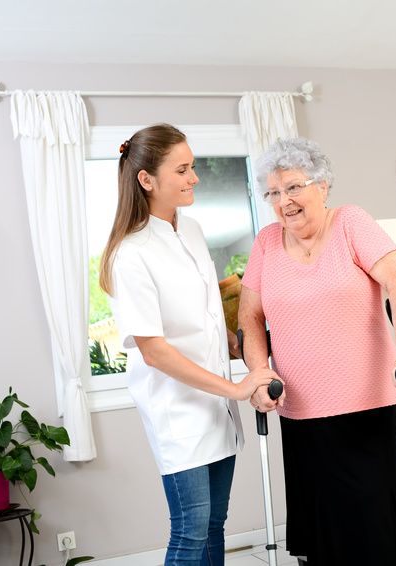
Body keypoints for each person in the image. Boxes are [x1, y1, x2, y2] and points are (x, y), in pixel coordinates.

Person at [238, 137, 396, 565]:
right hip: (300, 413)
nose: (283, 201)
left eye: (292, 187)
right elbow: (249, 316)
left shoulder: (350, 223)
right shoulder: (267, 242)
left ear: (322, 186)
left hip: (364, 408)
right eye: (273, 192)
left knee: (375, 530)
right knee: (323, 537)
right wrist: (259, 372)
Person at [99, 123, 279, 566]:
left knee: (215, 525)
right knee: (191, 529)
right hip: (178, 409)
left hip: (215, 404)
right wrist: (237, 388)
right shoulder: (131, 253)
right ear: (147, 180)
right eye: (182, 169)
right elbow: (154, 349)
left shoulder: (193, 228)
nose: (194, 177)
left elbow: (205, 311)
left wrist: (238, 343)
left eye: (192, 166)